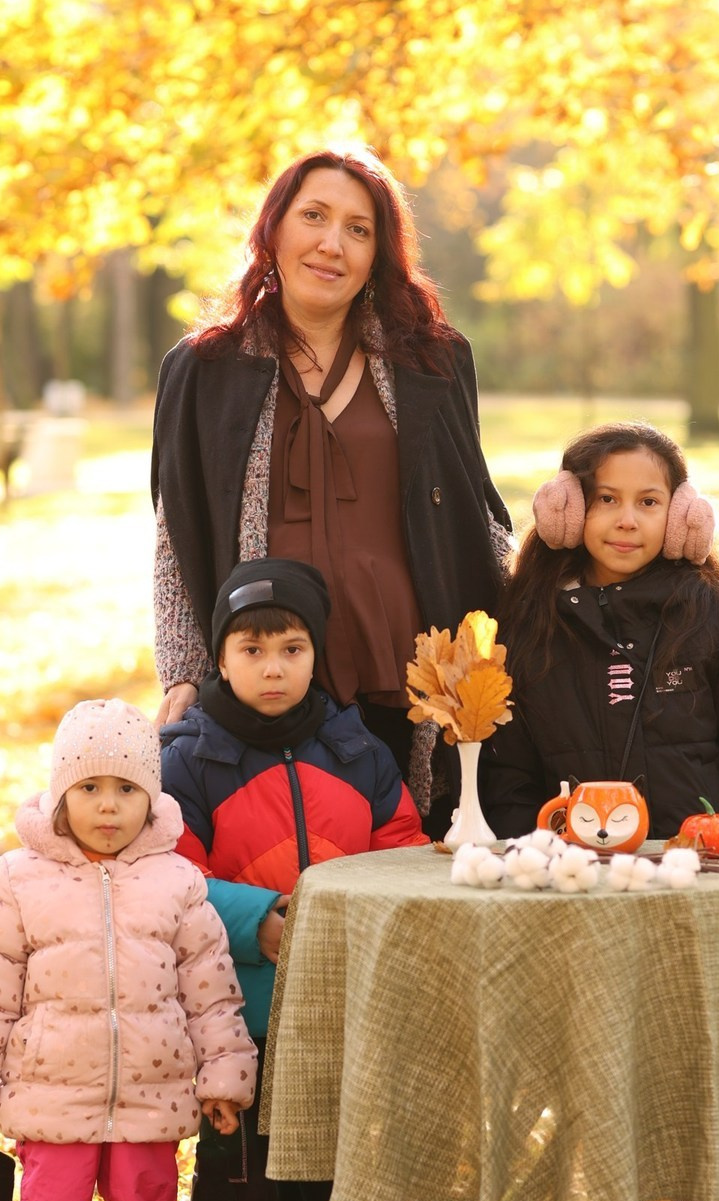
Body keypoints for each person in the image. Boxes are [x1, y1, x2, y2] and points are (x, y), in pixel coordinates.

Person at [481, 421, 719, 1201]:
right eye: (605, 500)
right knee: (610, 1064)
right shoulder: (533, 623)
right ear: (564, 509)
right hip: (587, 888)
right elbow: (509, 766)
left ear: (683, 515)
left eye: (649, 502)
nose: (625, 520)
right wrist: (533, 849)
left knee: (699, 1060)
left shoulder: (707, 612)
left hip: (699, 881)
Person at [149, 145, 512, 832]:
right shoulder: (205, 368)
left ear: (379, 254)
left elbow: (478, 513)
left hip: (410, 673)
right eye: (313, 216)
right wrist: (184, 671)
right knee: (285, 870)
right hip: (267, 671)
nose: (331, 243)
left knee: (409, 856)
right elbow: (176, 538)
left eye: (358, 228)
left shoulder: (432, 360)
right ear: (274, 230)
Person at [160, 557, 431, 1201]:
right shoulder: (188, 761)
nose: (272, 668)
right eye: (251, 650)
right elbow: (168, 879)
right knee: (243, 1181)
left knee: (331, 1170)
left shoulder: (358, 751)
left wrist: (358, 925)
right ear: (220, 657)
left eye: (291, 649)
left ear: (316, 654)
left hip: (343, 1004)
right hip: (237, 1009)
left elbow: (402, 848)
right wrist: (258, 919)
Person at [0, 698, 258, 1201]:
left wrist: (223, 1076)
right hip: (50, 1100)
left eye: (127, 789)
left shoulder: (177, 882)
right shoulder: (18, 880)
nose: (108, 805)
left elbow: (210, 989)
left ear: (152, 799)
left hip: (149, 1101)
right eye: (89, 788)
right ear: (61, 794)